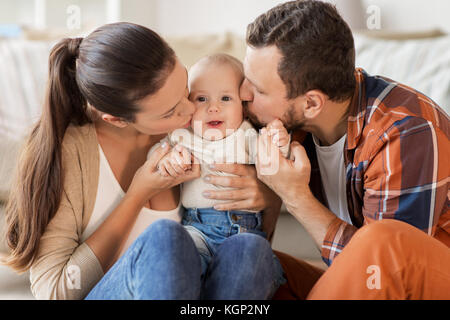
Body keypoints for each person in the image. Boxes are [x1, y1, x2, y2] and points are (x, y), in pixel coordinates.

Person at [2, 22, 282, 300]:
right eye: (170, 111)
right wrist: (137, 195)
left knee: (250, 249)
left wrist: (266, 197)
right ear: (117, 120)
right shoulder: (67, 155)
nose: (190, 110)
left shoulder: (201, 130)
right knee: (166, 239)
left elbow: (242, 255)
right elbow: (55, 292)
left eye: (185, 89)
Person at [241, 0, 450, 299]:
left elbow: (381, 274)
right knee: (251, 260)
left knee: (383, 242)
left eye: (259, 90)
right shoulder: (288, 124)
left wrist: (294, 195)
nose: (243, 94)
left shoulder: (405, 132)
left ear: (312, 103)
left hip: (429, 285)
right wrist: (266, 192)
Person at [147, 54, 289, 296]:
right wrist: (168, 160)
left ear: (243, 108)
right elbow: (155, 153)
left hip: (244, 231)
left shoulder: (246, 135)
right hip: (196, 229)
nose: (213, 107)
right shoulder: (184, 136)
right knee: (179, 257)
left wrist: (278, 141)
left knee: (250, 255)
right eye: (201, 99)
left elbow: (274, 162)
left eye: (226, 98)